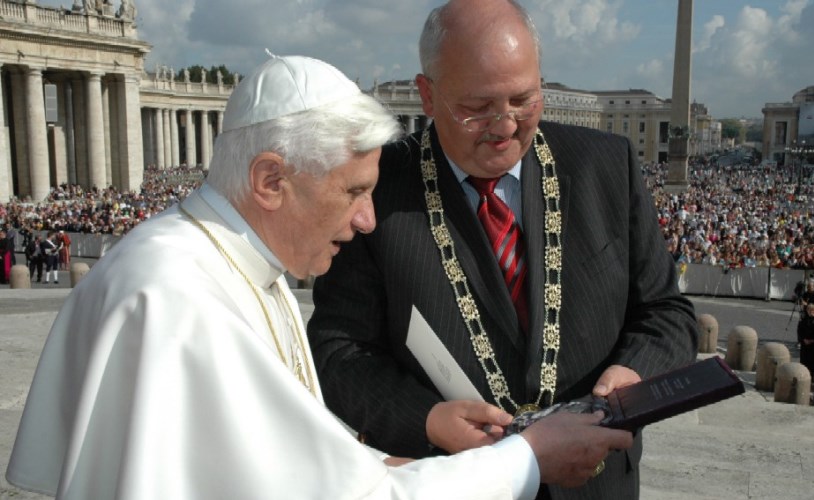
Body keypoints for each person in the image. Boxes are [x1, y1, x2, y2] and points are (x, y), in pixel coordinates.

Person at [6, 54, 633, 500]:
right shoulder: (177, 300)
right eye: (355, 192)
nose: (367, 220)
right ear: (271, 181)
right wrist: (527, 456)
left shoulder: (231, 263)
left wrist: (375, 456)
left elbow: (284, 460)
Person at [307, 1, 698, 498]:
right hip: (453, 479)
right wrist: (426, 418)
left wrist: (634, 373)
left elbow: (667, 311)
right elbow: (338, 349)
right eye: (477, 108)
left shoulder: (605, 166)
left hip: (596, 482)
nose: (507, 126)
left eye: (524, 100)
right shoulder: (378, 188)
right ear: (428, 96)